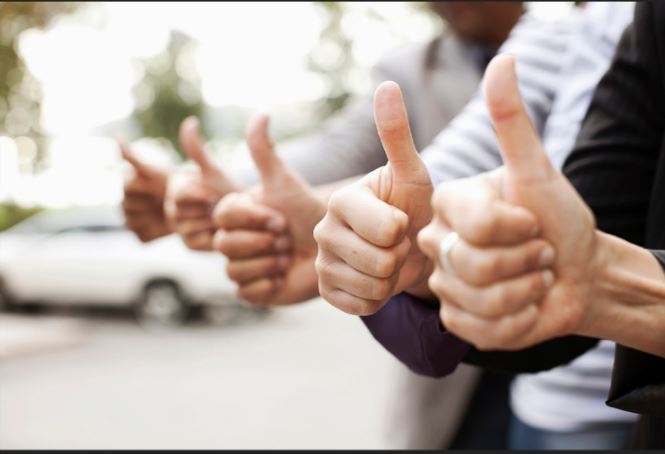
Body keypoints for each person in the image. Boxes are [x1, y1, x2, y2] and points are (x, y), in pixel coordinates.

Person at [120, 3, 526, 449]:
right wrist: (208, 189)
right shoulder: (412, 69)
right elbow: (335, 153)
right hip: (458, 373)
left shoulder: (566, 42)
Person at [314, 2, 642, 450]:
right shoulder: (568, 33)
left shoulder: (616, 27)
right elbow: (438, 170)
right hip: (542, 388)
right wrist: (418, 247)